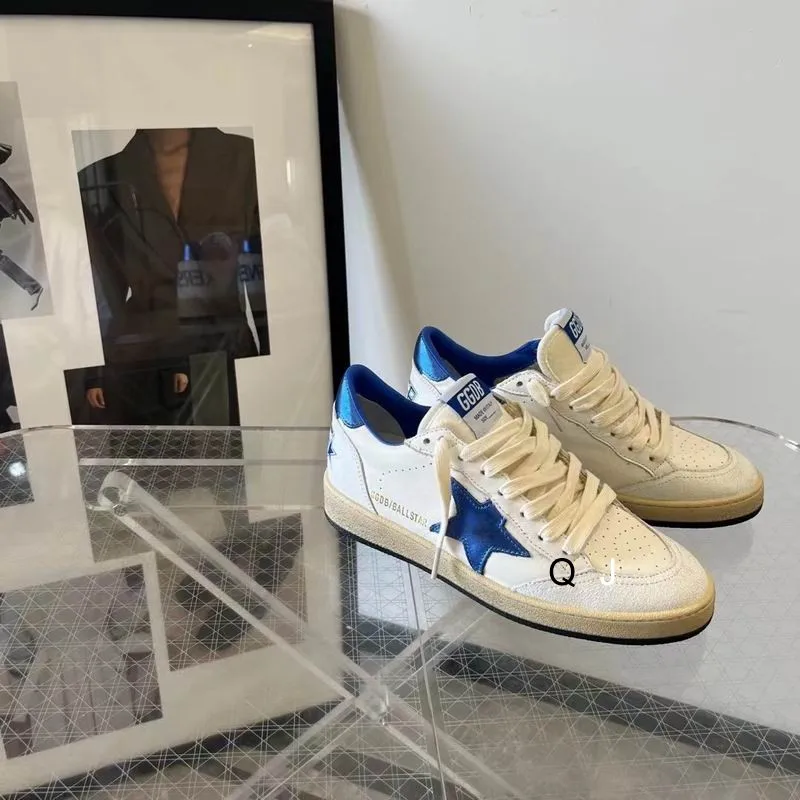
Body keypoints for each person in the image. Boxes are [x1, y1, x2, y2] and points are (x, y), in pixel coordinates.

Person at [78, 128, 268, 425]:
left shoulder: (246, 158)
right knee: (153, 453)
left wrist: (275, 369)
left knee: (231, 447)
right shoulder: (101, 176)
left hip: (224, 349)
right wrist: (95, 373)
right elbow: (102, 294)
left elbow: (265, 279)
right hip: (143, 360)